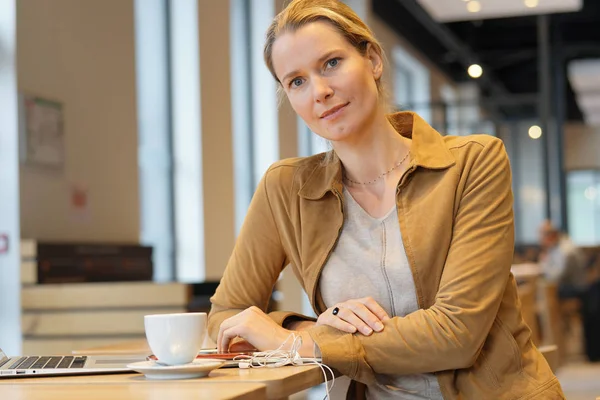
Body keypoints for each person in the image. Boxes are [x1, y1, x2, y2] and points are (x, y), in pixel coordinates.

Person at [208, 0, 564, 398]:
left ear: (373, 59)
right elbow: (226, 317)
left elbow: (457, 334)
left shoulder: (472, 162)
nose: (320, 92)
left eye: (331, 63)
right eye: (297, 81)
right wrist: (301, 327)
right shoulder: (285, 188)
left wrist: (307, 344)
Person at [539, 220, 587, 300]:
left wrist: (545, 263)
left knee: (544, 289)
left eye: (542, 237)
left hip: (576, 288)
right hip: (568, 284)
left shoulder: (565, 250)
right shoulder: (556, 246)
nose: (541, 241)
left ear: (551, 236)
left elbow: (557, 277)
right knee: (542, 287)